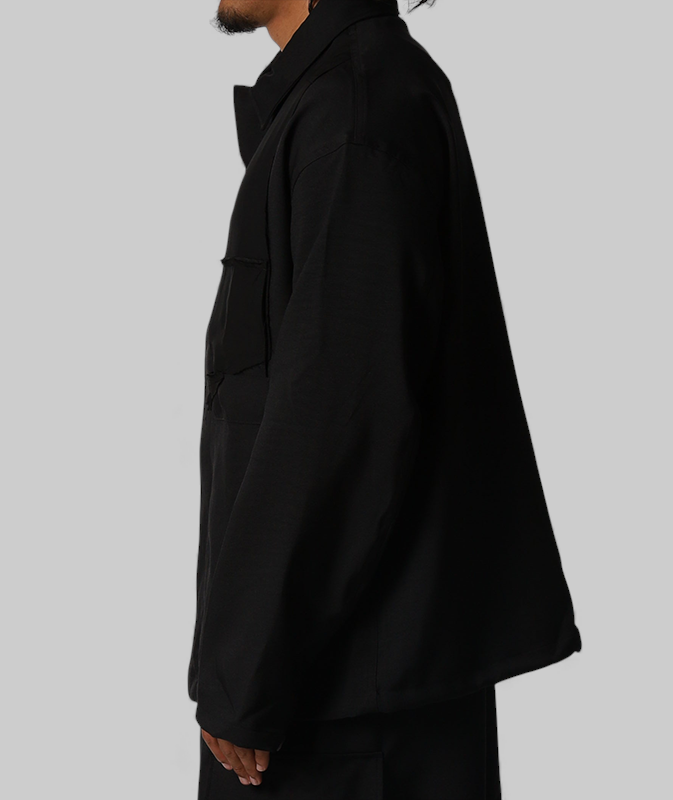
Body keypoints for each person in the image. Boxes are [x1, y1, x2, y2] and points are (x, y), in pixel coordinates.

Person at [188, 0, 582, 796]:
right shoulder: (344, 100)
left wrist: (243, 672)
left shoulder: (356, 112)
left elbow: (338, 421)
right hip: (332, 692)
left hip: (344, 721)